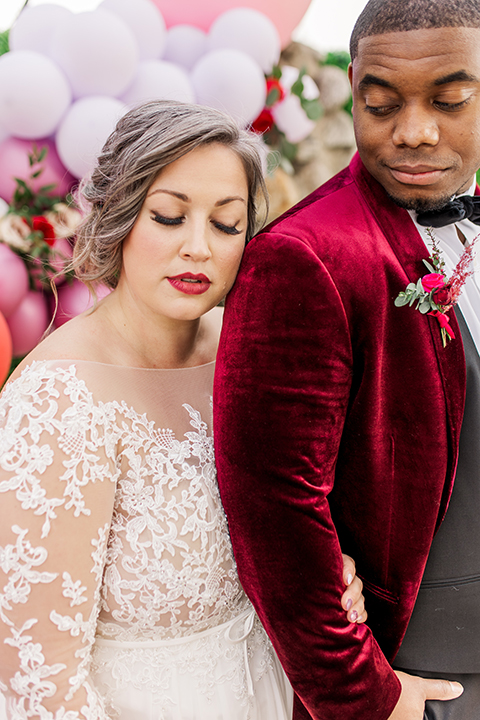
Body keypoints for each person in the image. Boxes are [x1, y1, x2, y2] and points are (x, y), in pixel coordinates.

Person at [0, 100, 366, 720]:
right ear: (120, 216)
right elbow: (40, 682)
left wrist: (325, 570)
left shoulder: (248, 347)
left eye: (226, 225)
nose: (198, 248)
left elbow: (290, 511)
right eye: (169, 217)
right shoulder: (58, 402)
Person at [213, 1, 480, 719]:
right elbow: (274, 507)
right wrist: (366, 699)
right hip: (430, 683)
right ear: (355, 86)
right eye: (381, 104)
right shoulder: (302, 259)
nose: (414, 133)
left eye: (450, 101)